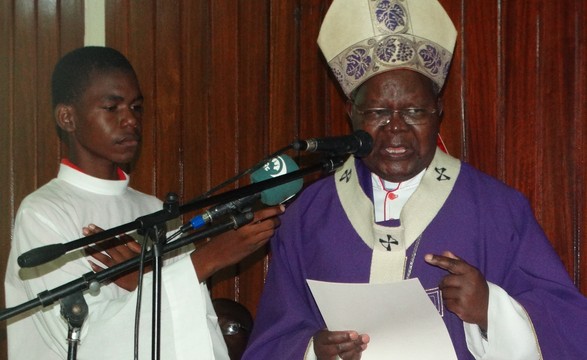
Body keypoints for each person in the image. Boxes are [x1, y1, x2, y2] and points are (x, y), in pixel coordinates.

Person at [243, 0, 587, 359]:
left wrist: (490, 310)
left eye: (414, 111)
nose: (395, 129)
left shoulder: (497, 210)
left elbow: (567, 326)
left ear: (438, 111)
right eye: (378, 112)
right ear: (352, 114)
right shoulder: (308, 216)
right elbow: (274, 336)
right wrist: (313, 351)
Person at [4, 46, 284, 359]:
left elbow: (193, 323)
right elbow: (81, 341)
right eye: (112, 107)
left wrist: (145, 281)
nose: (130, 121)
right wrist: (206, 260)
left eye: (136, 108)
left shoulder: (154, 211)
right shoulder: (44, 212)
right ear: (68, 117)